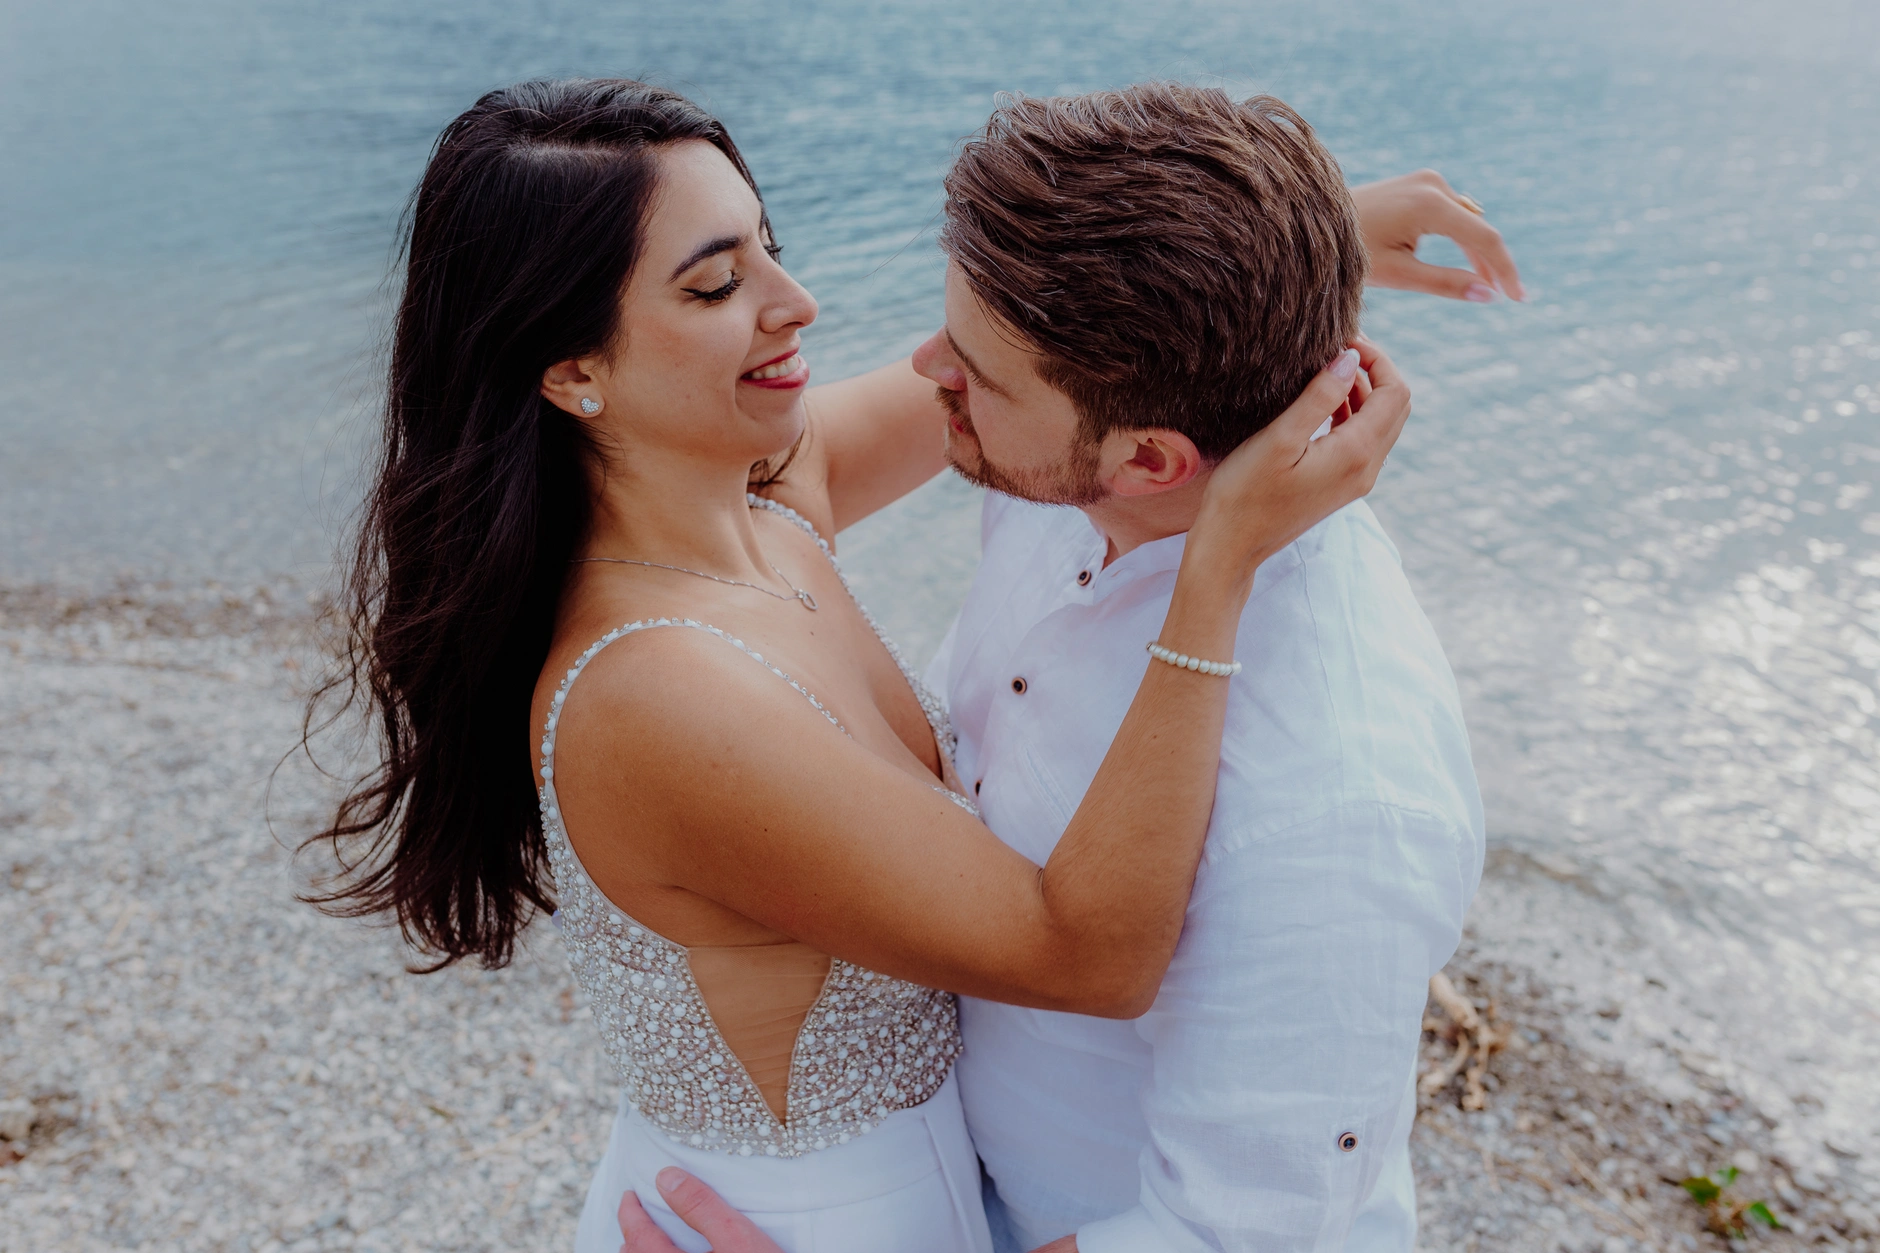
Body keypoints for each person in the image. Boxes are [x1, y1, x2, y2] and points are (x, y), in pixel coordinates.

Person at [306, 78, 1417, 1253]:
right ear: (571, 369)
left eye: (768, 248)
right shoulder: (657, 693)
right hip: (799, 1221)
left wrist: (1284, 250)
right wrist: (1219, 565)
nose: (796, 302)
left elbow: (1035, 371)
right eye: (717, 283)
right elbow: (1084, 952)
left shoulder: (766, 500)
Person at [615, 84, 1501, 1253]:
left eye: (975, 369)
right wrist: (1292, 235)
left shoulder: (1334, 796)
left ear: (1147, 456)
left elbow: (1230, 1236)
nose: (925, 370)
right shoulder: (1058, 487)